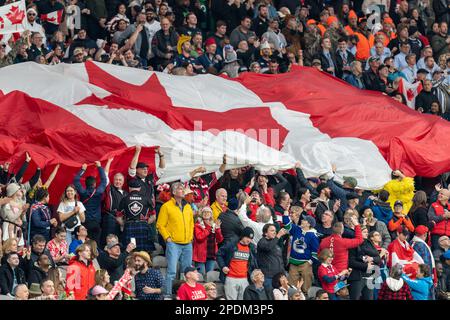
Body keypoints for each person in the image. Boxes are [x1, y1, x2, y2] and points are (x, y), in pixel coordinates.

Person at [156, 182, 194, 297]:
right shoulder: (166, 206)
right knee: (171, 271)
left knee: (187, 272)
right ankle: (167, 295)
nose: (182, 190)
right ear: (173, 192)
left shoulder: (188, 206)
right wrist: (167, 238)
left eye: (183, 188)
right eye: (179, 188)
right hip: (173, 243)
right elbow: (160, 225)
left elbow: (191, 223)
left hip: (187, 243)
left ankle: (185, 295)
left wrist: (191, 237)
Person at [217, 227, 258, 300]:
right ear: (242, 236)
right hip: (231, 278)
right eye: (247, 237)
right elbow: (219, 254)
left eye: (250, 238)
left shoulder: (251, 248)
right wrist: (223, 266)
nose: (249, 240)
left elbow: (253, 263)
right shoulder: (231, 244)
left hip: (244, 279)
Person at [283, 210, 318, 294]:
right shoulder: (297, 229)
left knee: (306, 288)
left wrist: (309, 262)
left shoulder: (313, 235)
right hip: (293, 263)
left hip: (305, 264)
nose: (301, 220)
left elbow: (315, 252)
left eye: (304, 220)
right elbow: (287, 226)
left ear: (308, 224)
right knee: (291, 288)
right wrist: (285, 213)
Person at [73, 161, 107, 245]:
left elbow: (76, 180)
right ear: (95, 184)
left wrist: (83, 169)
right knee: (96, 244)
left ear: (85, 184)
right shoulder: (99, 192)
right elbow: (104, 180)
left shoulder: (83, 192)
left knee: (85, 244)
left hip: (85, 222)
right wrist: (99, 167)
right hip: (96, 222)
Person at [117, 179, 154, 253]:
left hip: (129, 226)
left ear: (129, 188)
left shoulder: (124, 199)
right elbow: (153, 216)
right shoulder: (147, 199)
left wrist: (125, 224)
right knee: (144, 252)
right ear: (140, 188)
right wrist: (145, 223)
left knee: (130, 251)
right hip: (143, 226)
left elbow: (118, 218)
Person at [347, 226, 382, 300]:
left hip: (370, 277)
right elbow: (351, 262)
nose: (367, 233)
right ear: (358, 233)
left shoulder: (369, 243)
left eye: (367, 232)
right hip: (357, 277)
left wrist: (372, 258)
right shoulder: (353, 244)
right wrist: (366, 266)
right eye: (364, 232)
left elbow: (378, 258)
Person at [193, 206, 223, 276]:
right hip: (200, 256)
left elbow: (219, 240)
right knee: (201, 276)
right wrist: (208, 228)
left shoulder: (214, 225)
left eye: (208, 212)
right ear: (201, 214)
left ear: (211, 214)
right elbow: (199, 237)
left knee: (209, 276)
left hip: (211, 255)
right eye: (204, 212)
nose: (206, 213)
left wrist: (218, 229)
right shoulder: (198, 225)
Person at [257, 224, 286, 288]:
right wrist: (278, 236)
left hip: (278, 277)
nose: (275, 232)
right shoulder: (262, 241)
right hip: (268, 277)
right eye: (272, 230)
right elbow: (268, 247)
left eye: (275, 231)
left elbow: (280, 260)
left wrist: (283, 274)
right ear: (265, 233)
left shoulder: (275, 243)